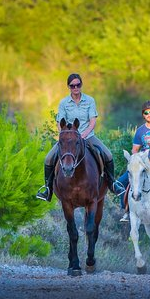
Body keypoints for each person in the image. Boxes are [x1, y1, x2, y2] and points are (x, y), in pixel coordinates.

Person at [35, 73, 125, 202]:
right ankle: (47, 189)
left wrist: (84, 134)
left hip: (87, 136)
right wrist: (63, 136)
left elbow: (92, 120)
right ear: (69, 87)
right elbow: (59, 122)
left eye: (78, 85)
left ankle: (112, 183)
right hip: (68, 139)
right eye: (72, 86)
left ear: (81, 85)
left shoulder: (89, 100)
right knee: (49, 158)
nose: (75, 88)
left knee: (108, 154)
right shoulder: (64, 103)